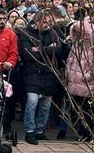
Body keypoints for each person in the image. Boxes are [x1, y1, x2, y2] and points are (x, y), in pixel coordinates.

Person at [18, 9, 63, 144]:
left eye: (49, 22)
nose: (47, 25)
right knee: (32, 102)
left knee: (46, 105)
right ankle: (30, 130)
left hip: (49, 74)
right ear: (36, 21)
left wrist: (40, 49)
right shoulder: (26, 33)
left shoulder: (53, 33)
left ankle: (40, 130)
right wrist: (49, 49)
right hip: (32, 73)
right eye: (44, 22)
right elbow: (28, 54)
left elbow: (58, 50)